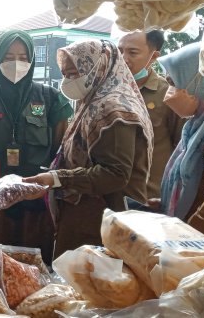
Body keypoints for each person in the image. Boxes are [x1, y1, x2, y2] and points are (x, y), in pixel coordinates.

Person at [24, 40, 153, 258]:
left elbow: (115, 174)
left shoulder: (114, 109)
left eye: (75, 74)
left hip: (102, 225)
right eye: (65, 74)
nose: (68, 81)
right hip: (86, 217)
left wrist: (58, 178)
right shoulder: (94, 100)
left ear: (99, 67)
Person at [0, 30, 73, 263]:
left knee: (33, 266)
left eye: (23, 57)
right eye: (9, 57)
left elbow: (62, 154)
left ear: (31, 60)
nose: (16, 63)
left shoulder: (51, 98)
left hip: (36, 205)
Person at [156, 43, 204, 245]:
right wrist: (166, 203)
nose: (169, 94)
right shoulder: (199, 128)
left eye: (175, 83)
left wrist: (186, 242)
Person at [118, 30, 185, 199]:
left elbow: (182, 149)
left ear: (154, 56)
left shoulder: (168, 95)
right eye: (119, 51)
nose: (123, 59)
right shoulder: (108, 91)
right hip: (109, 197)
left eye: (132, 52)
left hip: (149, 199)